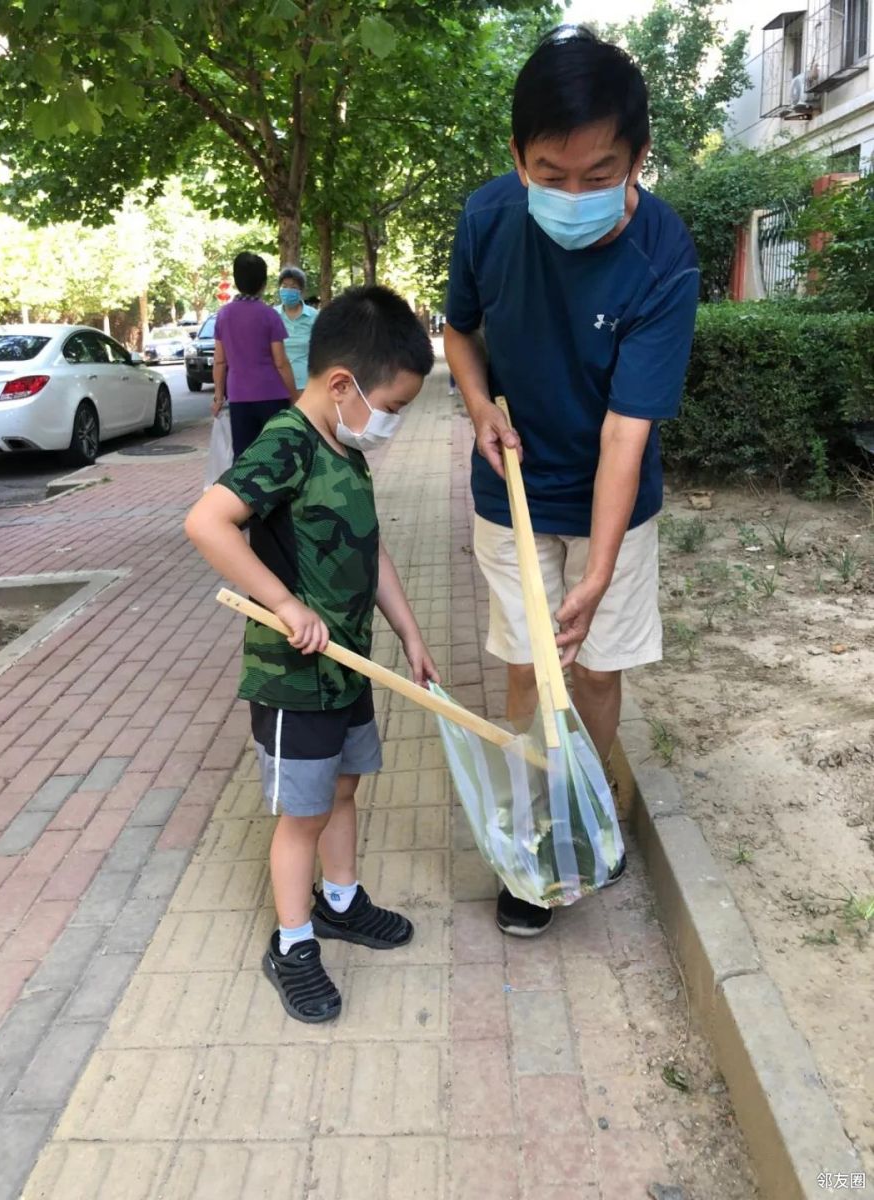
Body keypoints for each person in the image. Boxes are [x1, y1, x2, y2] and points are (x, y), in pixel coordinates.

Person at [444, 26, 699, 937]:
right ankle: (531, 837)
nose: (575, 194)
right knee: (529, 670)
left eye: (600, 174)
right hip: (510, 486)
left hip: (613, 503)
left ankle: (582, 810)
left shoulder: (663, 253)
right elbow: (460, 331)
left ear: (638, 158)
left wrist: (597, 570)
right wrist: (479, 405)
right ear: (518, 157)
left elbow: (628, 429)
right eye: (551, 172)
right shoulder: (487, 219)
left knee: (592, 672)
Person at [185, 286, 439, 1023]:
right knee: (302, 814)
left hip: (349, 666)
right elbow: (207, 523)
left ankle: (341, 901)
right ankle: (292, 943)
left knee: (345, 788)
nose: (392, 422)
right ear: (341, 385)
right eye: (391, 406)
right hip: (294, 678)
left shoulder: (344, 447)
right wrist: (285, 604)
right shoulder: (288, 443)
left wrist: (410, 632)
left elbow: (370, 545)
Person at [213, 251, 298, 457]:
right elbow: (280, 362)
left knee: (245, 457)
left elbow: (220, 361)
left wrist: (218, 398)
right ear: (263, 283)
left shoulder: (223, 315)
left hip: (238, 397)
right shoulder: (270, 315)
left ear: (236, 280)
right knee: (277, 455)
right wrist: (294, 396)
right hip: (273, 396)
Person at [275, 265, 318, 392]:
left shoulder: (314, 316)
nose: (288, 290)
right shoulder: (272, 316)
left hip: (307, 384)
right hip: (277, 383)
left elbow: (322, 350)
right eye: (284, 286)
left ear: (301, 291)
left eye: (293, 287)